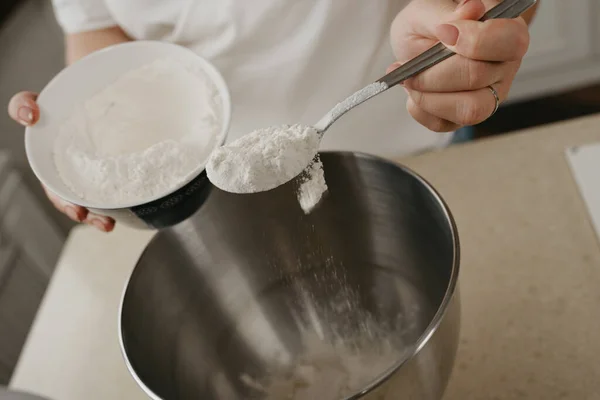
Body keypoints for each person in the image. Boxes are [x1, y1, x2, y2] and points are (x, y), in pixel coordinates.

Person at [7, 0, 538, 232]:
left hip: (419, 143)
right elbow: (96, 27)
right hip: (224, 187)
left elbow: (490, 7)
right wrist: (79, 139)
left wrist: (469, 33)